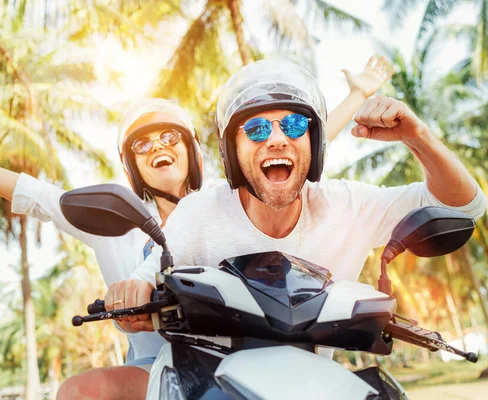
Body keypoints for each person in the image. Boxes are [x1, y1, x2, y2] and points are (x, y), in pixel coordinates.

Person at [0, 57, 395, 400]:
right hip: (162, 374)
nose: (158, 147)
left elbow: (294, 143)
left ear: (196, 152)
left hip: (255, 358)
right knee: (81, 392)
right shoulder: (114, 222)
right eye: (142, 145)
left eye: (170, 137)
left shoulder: (232, 205)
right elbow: (36, 196)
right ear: (132, 168)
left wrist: (356, 95)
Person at [102, 58, 486, 360]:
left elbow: (465, 205)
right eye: (255, 130)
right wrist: (134, 290)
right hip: (208, 382)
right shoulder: (198, 213)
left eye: (295, 124)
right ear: (231, 153)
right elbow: (149, 271)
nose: (277, 139)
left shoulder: (345, 206)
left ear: (314, 142)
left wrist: (417, 137)